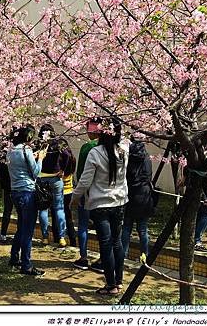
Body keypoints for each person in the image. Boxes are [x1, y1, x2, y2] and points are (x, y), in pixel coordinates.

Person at [71, 118, 129, 295]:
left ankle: (111, 285)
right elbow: (126, 139)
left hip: (100, 204)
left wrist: (75, 198)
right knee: (117, 242)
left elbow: (85, 181)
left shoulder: (95, 153)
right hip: (119, 202)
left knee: (105, 243)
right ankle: (118, 281)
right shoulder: (124, 149)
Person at [6, 125, 47, 276]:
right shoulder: (26, 150)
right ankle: (27, 265)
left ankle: (14, 257)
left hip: (15, 192)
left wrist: (34, 156)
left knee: (21, 227)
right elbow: (35, 172)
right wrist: (41, 158)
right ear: (29, 137)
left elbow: (20, 166)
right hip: (27, 193)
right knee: (28, 230)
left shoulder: (11, 150)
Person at [72, 118, 103, 272]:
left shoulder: (87, 147)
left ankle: (83, 258)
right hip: (103, 194)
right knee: (102, 226)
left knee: (83, 224)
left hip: (87, 193)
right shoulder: (108, 147)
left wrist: (77, 192)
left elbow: (80, 173)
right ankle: (103, 259)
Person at [36, 124, 73, 248]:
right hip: (56, 178)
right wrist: (64, 170)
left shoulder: (38, 144)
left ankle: (45, 238)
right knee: (59, 208)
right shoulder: (58, 143)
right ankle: (62, 237)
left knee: (43, 208)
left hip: (41, 179)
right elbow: (68, 155)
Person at [121, 139, 154, 261]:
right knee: (143, 229)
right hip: (144, 196)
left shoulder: (128, 159)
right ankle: (144, 256)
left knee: (126, 228)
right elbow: (149, 176)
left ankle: (123, 255)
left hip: (130, 196)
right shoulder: (147, 159)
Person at [0, 132, 14, 243]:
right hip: (16, 185)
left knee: (7, 210)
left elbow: (1, 172)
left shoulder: (2, 154)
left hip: (8, 186)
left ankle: (3, 233)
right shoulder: (14, 153)